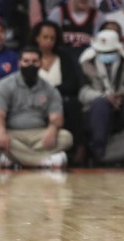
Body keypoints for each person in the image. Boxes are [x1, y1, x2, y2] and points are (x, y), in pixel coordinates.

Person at [0, 46, 73, 168]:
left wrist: (52, 128)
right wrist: (1, 131)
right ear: (19, 63)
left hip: (39, 134)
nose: (30, 65)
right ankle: (43, 161)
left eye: (34, 62)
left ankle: (13, 158)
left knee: (66, 137)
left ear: (40, 63)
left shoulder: (50, 89)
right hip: (12, 133)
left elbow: (57, 117)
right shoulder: (4, 85)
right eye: (26, 61)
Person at [78, 30, 124, 163]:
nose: (107, 56)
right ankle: (99, 152)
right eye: (103, 53)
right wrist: (104, 96)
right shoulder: (86, 63)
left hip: (123, 102)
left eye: (110, 53)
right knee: (100, 104)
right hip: (96, 105)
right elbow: (83, 93)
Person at [29, 21, 86, 165]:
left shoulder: (64, 57)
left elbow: (72, 83)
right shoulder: (29, 57)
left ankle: (80, 148)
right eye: (45, 37)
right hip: (33, 99)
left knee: (73, 104)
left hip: (60, 99)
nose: (48, 41)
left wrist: (51, 93)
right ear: (37, 38)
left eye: (52, 38)